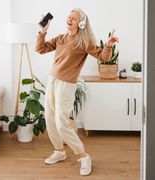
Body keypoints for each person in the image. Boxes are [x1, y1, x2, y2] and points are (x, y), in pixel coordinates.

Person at [35, 8, 118, 176]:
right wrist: (43, 32)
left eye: (73, 18)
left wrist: (108, 45)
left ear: (80, 23)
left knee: (61, 121)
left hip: (66, 85)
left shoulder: (84, 42)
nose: (69, 19)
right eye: (68, 17)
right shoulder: (61, 38)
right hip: (52, 81)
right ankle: (59, 151)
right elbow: (40, 49)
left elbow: (103, 57)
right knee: (49, 118)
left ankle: (83, 155)